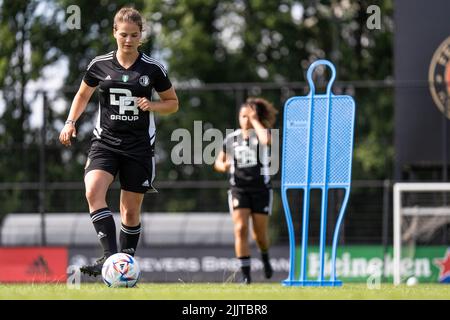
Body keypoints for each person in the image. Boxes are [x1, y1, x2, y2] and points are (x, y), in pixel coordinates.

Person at [59, 7, 178, 277]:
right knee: (92, 191)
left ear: (141, 36)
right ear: (114, 32)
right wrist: (70, 122)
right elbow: (81, 95)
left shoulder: (153, 68)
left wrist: (152, 105)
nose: (128, 40)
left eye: (134, 35)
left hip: (139, 147)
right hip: (105, 142)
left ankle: (123, 268)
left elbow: (173, 104)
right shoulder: (98, 64)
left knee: (130, 212)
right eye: (123, 34)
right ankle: (110, 258)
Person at [214, 97, 278, 284]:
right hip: (238, 189)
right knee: (240, 229)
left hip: (261, 190)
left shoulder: (262, 134)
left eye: (250, 116)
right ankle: (246, 277)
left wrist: (255, 119)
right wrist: (222, 165)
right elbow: (218, 162)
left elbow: (267, 140)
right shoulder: (231, 139)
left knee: (259, 236)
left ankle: (265, 258)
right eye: (243, 116)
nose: (246, 120)